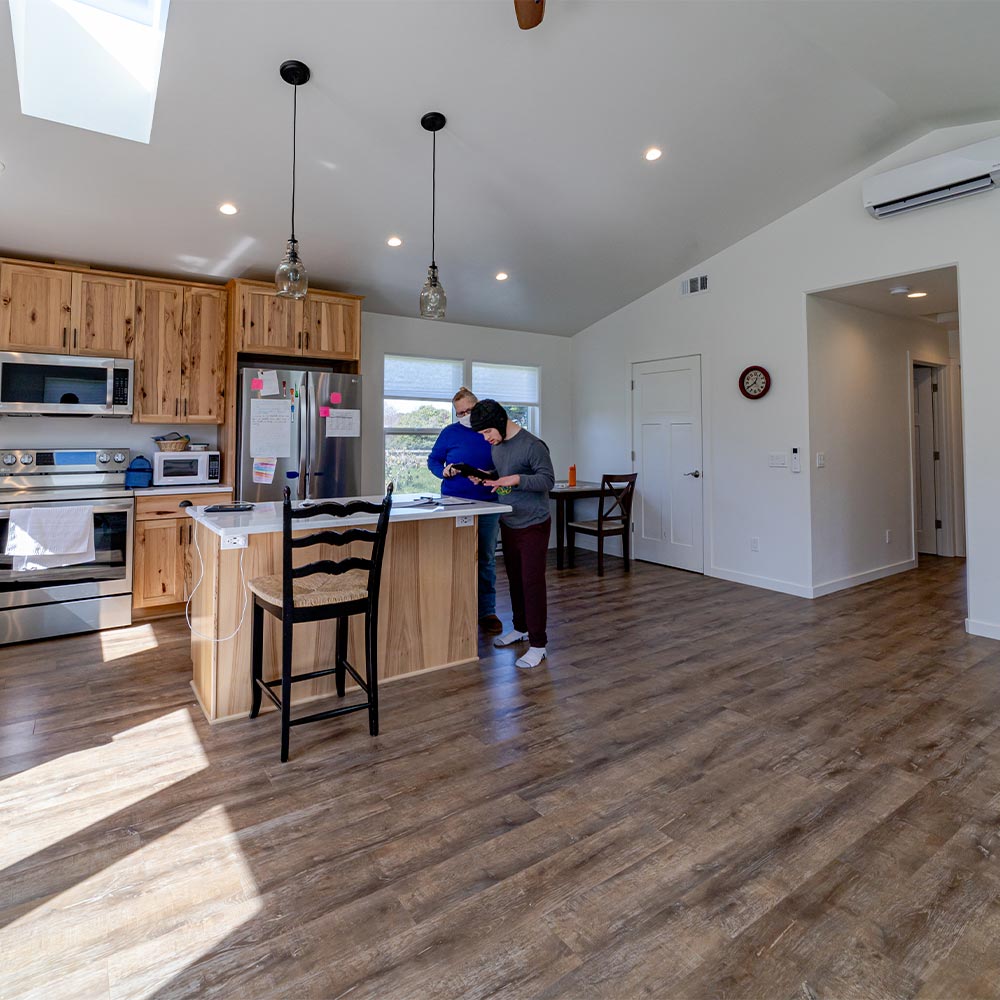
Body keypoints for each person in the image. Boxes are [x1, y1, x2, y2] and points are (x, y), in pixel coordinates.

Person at [469, 399, 554, 669]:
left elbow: (547, 480)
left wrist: (516, 479)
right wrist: (487, 476)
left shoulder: (533, 445)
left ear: (500, 422)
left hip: (534, 523)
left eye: (487, 432)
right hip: (510, 520)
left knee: (532, 582)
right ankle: (520, 629)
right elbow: (502, 475)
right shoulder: (499, 447)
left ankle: (539, 645)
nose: (486, 439)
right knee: (515, 581)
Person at [427, 387, 503, 634]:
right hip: (454, 502)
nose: (465, 415)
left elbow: (507, 465)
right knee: (455, 557)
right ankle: (455, 607)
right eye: (460, 412)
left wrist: (492, 476)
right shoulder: (450, 432)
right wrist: (444, 471)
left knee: (486, 558)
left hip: (488, 501)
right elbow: (433, 460)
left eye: (469, 410)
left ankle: (487, 611)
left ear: (478, 406)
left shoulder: (492, 433)